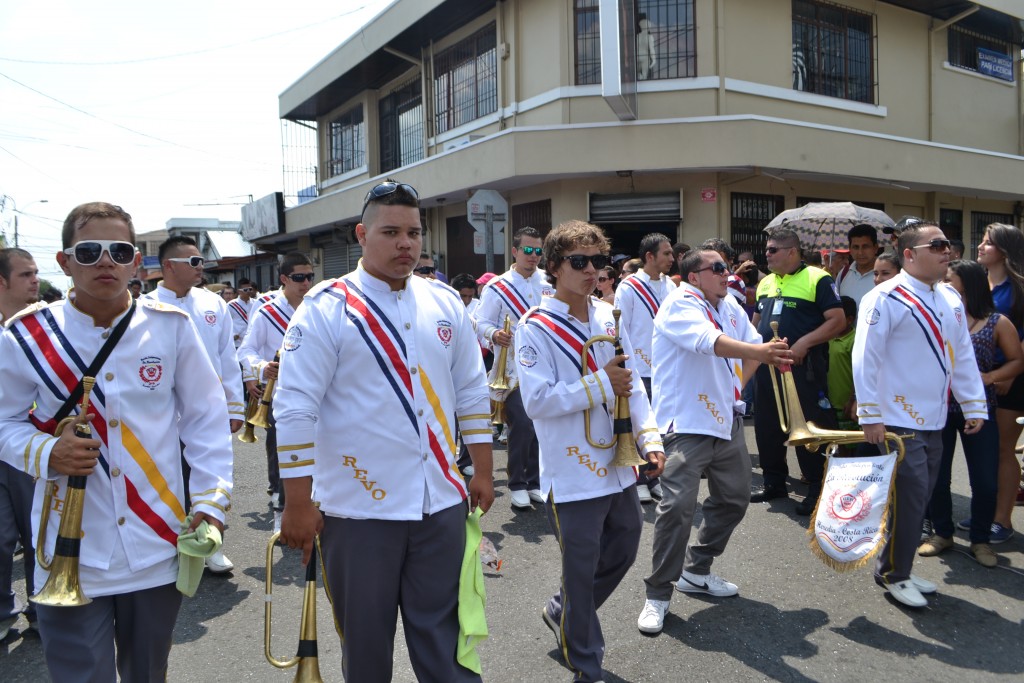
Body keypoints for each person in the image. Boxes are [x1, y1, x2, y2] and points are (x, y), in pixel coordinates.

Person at [0, 202, 233, 680]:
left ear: (135, 263)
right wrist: (47, 452)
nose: (105, 261)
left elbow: (206, 419)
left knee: (148, 673)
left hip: (155, 541)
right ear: (64, 262)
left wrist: (212, 500)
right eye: (89, 251)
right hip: (69, 549)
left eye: (118, 250)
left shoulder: (171, 326)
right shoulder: (26, 336)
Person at [276, 180, 493, 682]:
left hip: (440, 500)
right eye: (391, 231)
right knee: (367, 645)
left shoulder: (443, 302)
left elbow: (472, 391)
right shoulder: (327, 307)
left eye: (414, 232)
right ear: (361, 234)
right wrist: (297, 501)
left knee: (444, 635)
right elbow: (294, 408)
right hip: (359, 509)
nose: (406, 244)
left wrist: (482, 470)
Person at [515, 219, 664, 683]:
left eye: (598, 262)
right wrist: (601, 382)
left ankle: (565, 611)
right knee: (580, 570)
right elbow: (536, 401)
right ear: (555, 266)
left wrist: (650, 436)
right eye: (579, 262)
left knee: (624, 545)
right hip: (572, 467)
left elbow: (633, 383)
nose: (591, 271)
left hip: (617, 461)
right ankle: (586, 661)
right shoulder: (534, 326)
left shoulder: (607, 315)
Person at [637, 249, 790, 634]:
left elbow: (751, 342)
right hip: (686, 423)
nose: (726, 274)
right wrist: (760, 354)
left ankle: (697, 569)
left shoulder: (730, 305)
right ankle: (658, 593)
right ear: (694, 277)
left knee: (735, 499)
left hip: (726, 421)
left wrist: (741, 381)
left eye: (726, 268)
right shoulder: (679, 304)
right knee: (677, 507)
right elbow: (713, 342)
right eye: (717, 269)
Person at [853, 222, 986, 607]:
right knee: (911, 498)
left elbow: (960, 355)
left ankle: (897, 566)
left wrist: (973, 403)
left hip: (935, 416)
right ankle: (896, 574)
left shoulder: (950, 298)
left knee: (921, 496)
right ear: (909, 254)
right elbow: (866, 359)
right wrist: (870, 413)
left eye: (948, 245)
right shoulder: (885, 297)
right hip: (897, 419)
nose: (948, 251)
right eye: (937, 245)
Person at [145, 236, 244, 574]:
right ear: (168, 266)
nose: (201, 267)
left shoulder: (214, 305)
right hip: (164, 415)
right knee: (171, 481)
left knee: (211, 473)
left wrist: (234, 406)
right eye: (194, 262)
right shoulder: (146, 307)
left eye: (202, 261)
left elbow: (226, 359)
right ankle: (171, 545)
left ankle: (211, 542)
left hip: (207, 411)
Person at [920, 259, 1022, 568]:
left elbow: (1017, 361)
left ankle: (980, 540)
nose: (944, 283)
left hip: (980, 408)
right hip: (939, 409)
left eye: (951, 279)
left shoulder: (996, 322)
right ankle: (942, 533)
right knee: (937, 477)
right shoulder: (938, 317)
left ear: (969, 283)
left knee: (985, 479)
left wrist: (990, 378)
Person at [750, 227, 844, 515]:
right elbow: (755, 325)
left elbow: (838, 321)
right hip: (768, 368)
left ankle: (817, 487)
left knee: (808, 426)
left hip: (804, 368)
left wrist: (804, 343)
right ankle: (774, 481)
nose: (766, 254)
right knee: (766, 426)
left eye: (772, 250)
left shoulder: (818, 278)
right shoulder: (765, 283)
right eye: (766, 249)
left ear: (792, 251)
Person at [475, 227, 553, 509]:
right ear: (515, 251)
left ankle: (535, 480)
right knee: (521, 422)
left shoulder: (549, 282)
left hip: (546, 364)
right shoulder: (498, 286)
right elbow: (479, 321)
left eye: (538, 251)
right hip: (513, 368)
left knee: (542, 422)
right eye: (528, 250)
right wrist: (494, 334)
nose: (533, 256)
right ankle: (517, 482)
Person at [238, 253, 314, 532]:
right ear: (284, 279)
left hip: (316, 393)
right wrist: (261, 368)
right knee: (284, 452)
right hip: (282, 395)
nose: (306, 283)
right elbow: (245, 350)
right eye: (299, 278)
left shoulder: (317, 307)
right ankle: (282, 512)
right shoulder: (267, 312)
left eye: (310, 277)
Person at [615, 232, 676, 502]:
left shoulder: (672, 288)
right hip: (640, 370)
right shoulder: (628, 288)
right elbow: (620, 330)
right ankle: (639, 478)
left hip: (667, 370)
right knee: (639, 426)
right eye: (666, 254)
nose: (672, 259)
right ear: (649, 257)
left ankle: (655, 478)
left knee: (663, 429)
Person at [0, 248, 40, 639]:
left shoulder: (43, 330)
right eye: (26, 274)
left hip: (29, 447)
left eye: (35, 273)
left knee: (37, 531)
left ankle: (43, 607)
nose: (34, 281)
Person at [977, 223, 1024, 541]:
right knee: (985, 449)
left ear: (1005, 250)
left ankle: (1002, 520)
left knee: (1005, 449)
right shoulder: (978, 283)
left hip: (1013, 378)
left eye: (987, 242)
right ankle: (985, 514)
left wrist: (1010, 372)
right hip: (979, 377)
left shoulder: (1020, 287)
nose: (980, 246)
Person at [826, 297, 858, 432]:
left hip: (845, 403)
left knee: (849, 444)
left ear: (849, 320)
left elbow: (858, 373)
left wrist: (852, 399)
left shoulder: (855, 340)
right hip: (829, 401)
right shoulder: (826, 336)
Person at [836, 224, 880, 304]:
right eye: (856, 247)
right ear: (850, 249)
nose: (860, 253)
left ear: (875, 248)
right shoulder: (843, 274)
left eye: (865, 247)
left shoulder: (886, 275)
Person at [227, 277, 259, 349]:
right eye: (245, 290)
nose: (248, 291)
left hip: (252, 342)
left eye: (250, 289)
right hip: (237, 343)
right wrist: (232, 335)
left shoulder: (256, 303)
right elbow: (225, 323)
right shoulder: (231, 305)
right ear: (239, 291)